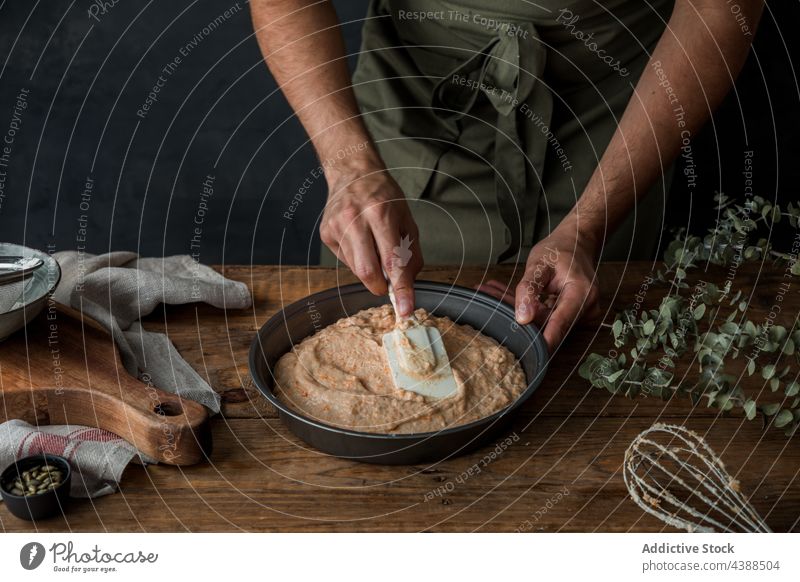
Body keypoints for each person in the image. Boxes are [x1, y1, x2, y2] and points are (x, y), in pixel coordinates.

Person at [250, 0, 763, 351]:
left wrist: (586, 227)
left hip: (614, 121)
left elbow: (721, 10)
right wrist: (350, 167)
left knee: (584, 355)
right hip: (412, 105)